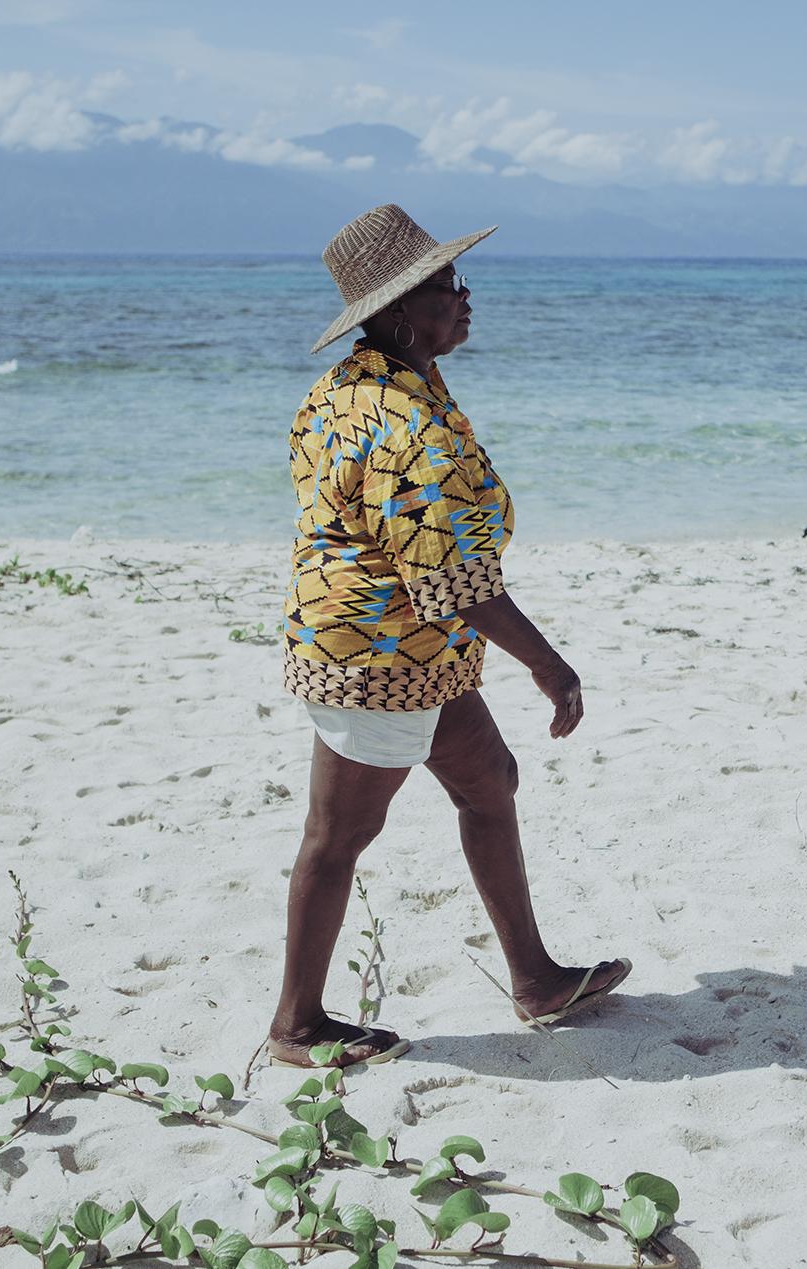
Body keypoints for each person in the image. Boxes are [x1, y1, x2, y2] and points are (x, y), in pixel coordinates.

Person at [267, 204, 631, 1068]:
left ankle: (536, 977)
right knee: (337, 837)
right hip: (377, 652)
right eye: (447, 287)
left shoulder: (365, 385)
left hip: (414, 649)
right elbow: (451, 583)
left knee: (490, 780)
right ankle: (297, 1024)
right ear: (396, 311)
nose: (467, 299)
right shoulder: (406, 426)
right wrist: (550, 663)